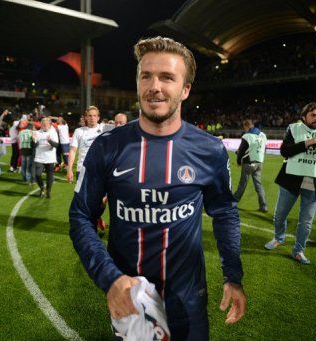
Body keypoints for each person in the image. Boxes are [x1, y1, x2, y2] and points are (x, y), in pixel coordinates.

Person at [69, 36, 246, 340]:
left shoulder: (210, 150)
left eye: (167, 77)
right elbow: (80, 216)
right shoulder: (107, 147)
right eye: (146, 76)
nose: (155, 86)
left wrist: (233, 275)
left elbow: (225, 212)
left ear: (185, 89)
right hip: (130, 302)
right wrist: (110, 279)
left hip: (189, 299)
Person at [264, 102, 316, 264]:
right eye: (313, 115)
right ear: (304, 116)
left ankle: (298, 250)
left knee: (306, 221)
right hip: (291, 178)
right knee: (280, 215)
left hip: (315, 183)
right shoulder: (294, 128)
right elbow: (284, 151)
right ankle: (279, 237)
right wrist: (308, 143)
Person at [233, 119, 268, 212]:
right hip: (259, 162)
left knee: (242, 184)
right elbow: (263, 148)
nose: (243, 130)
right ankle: (264, 206)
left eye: (244, 127)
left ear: (246, 126)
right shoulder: (263, 135)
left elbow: (241, 151)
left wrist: (238, 162)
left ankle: (233, 202)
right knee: (258, 185)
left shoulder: (247, 136)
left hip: (249, 163)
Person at [32, 117, 59, 198]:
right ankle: (42, 188)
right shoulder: (36, 133)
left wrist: (49, 140)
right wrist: (33, 140)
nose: (45, 125)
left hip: (50, 158)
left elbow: (56, 145)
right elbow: (33, 146)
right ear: (41, 124)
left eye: (46, 124)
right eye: (43, 124)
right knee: (37, 175)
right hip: (39, 157)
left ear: (49, 125)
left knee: (49, 176)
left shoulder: (53, 132)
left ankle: (48, 191)